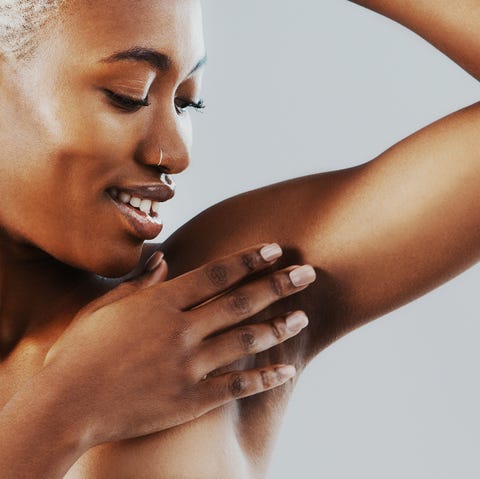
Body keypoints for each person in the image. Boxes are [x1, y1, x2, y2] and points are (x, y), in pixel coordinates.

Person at [0, 0, 478, 478]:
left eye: (186, 102)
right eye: (131, 95)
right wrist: (65, 406)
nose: (177, 152)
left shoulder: (221, 301)